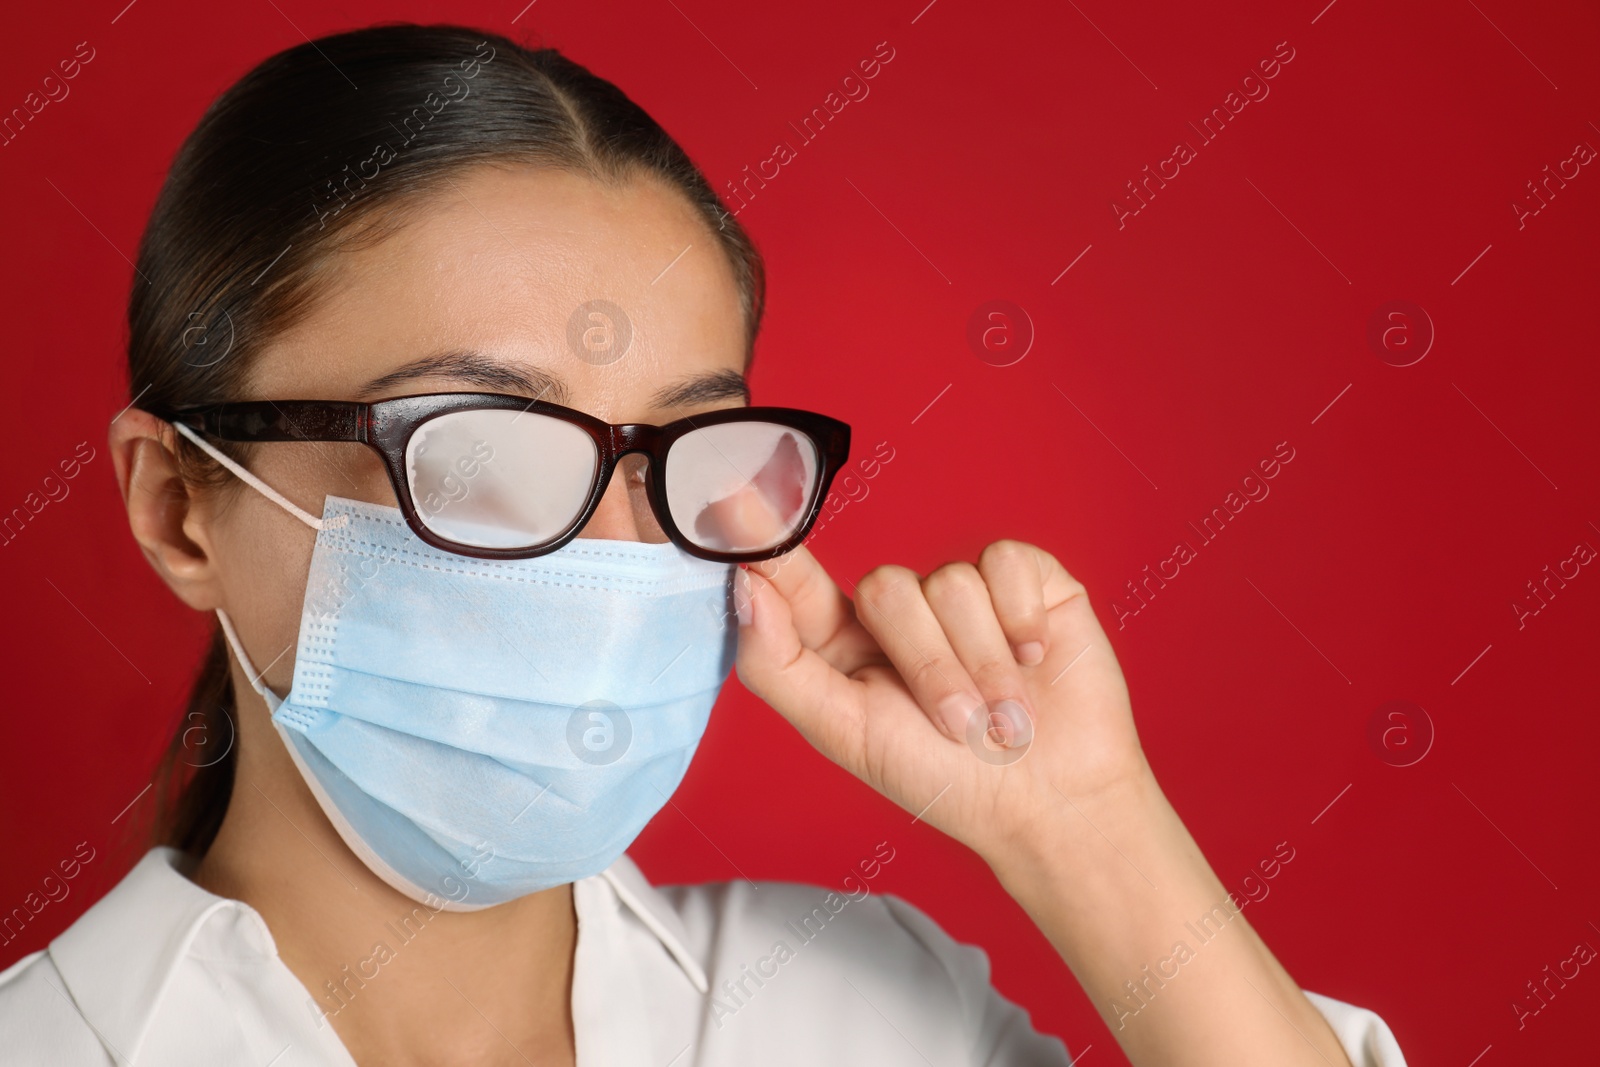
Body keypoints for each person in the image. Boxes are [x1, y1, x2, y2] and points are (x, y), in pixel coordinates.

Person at [0, 23, 1406, 1066]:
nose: (615, 548)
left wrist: (1088, 833)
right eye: (485, 448)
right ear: (179, 507)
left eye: (678, 448)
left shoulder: (860, 1012)